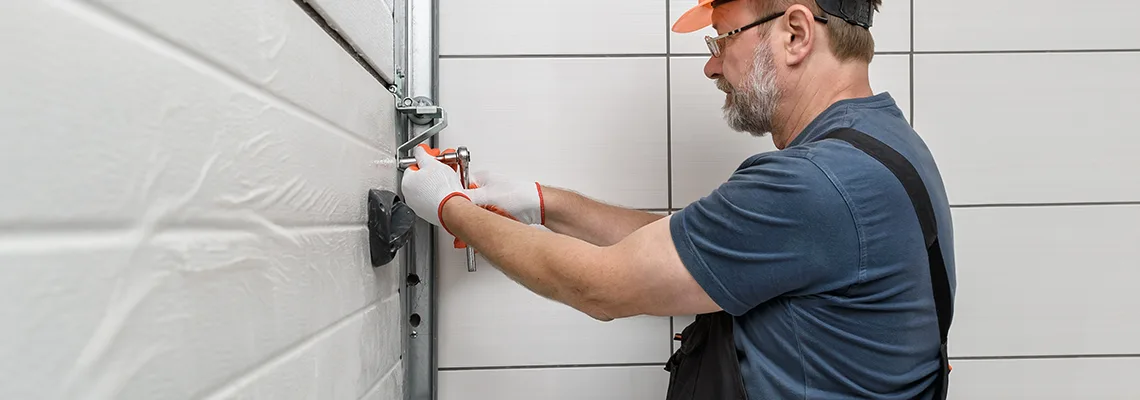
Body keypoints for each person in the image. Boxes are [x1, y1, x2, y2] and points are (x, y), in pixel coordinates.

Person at [399, 0, 956, 398]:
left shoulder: (815, 182)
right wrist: (544, 203)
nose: (712, 65)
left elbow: (597, 286)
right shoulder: (883, 144)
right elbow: (702, 243)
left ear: (795, 33)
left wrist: (452, 209)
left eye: (724, 38)